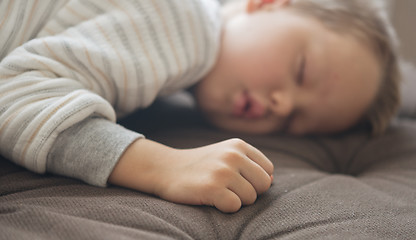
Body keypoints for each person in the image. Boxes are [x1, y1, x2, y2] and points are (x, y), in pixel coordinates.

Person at [0, 0, 400, 213]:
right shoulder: (185, 27)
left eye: (295, 120)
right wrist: (165, 167)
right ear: (268, 3)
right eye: (301, 71)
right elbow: (15, 96)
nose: (281, 104)